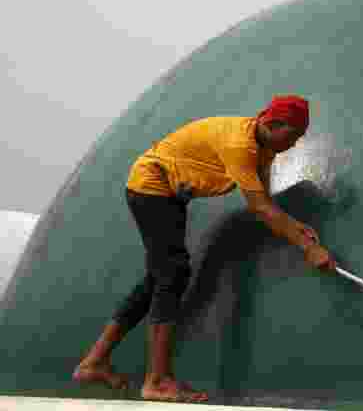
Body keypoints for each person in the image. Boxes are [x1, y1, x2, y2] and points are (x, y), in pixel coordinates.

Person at [72, 95, 337, 402]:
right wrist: (307, 247)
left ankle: (94, 362)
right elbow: (261, 208)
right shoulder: (239, 145)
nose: (292, 145)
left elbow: (264, 203)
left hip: (168, 194)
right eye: (291, 137)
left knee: (159, 278)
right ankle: (157, 381)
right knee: (172, 273)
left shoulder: (263, 148)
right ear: (272, 124)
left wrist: (293, 225)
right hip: (151, 187)